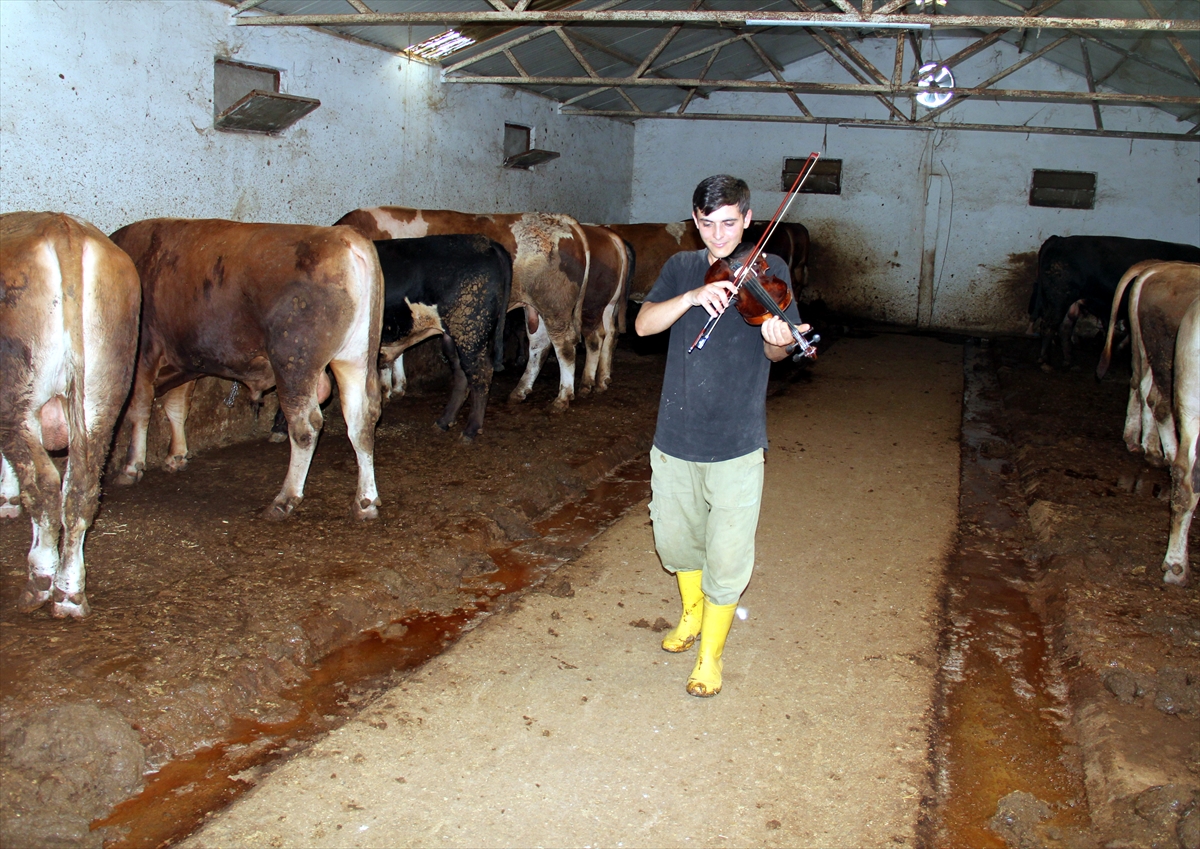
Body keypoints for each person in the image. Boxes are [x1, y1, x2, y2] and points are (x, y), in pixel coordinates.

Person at [634, 174, 808, 697]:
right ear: (695, 221)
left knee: (728, 556)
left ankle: (710, 656)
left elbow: (780, 352)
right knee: (677, 542)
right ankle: (690, 618)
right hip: (675, 438)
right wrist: (691, 296)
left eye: (729, 223)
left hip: (737, 440)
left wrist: (779, 337)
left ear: (749, 220)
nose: (718, 236)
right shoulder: (681, 267)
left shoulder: (771, 271)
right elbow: (643, 326)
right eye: (707, 224)